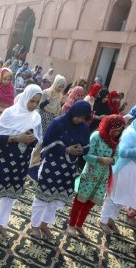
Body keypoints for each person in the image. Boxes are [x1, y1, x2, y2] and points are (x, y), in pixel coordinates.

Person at [0, 84, 42, 238]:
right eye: (31, 101)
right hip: (4, 160)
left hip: (21, 162)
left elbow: (38, 139)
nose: (33, 105)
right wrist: (17, 138)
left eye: (36, 102)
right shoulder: (10, 113)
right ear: (25, 98)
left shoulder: (36, 117)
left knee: (11, 195)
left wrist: (32, 140)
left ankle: (1, 223)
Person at [30, 100, 91, 239]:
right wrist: (65, 149)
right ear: (73, 111)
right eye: (79, 116)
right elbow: (46, 143)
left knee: (56, 199)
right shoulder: (59, 122)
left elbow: (88, 146)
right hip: (52, 165)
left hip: (69, 168)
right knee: (43, 197)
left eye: (83, 118)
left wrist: (82, 150)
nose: (80, 120)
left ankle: (44, 224)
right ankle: (34, 225)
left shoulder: (84, 127)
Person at [100, 111, 136, 233]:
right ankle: (103, 220)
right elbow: (123, 152)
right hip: (124, 171)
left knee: (123, 198)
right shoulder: (130, 133)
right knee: (113, 196)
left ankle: (111, 219)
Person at [68, 115, 125, 237]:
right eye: (116, 129)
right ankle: (71, 225)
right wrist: (99, 159)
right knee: (80, 201)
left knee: (90, 203)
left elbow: (117, 155)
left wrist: (113, 160)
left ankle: (79, 225)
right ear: (109, 126)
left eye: (120, 130)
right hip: (90, 175)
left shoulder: (115, 142)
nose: (117, 132)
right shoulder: (96, 136)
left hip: (103, 177)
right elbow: (85, 155)